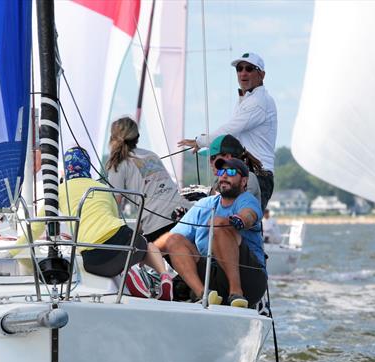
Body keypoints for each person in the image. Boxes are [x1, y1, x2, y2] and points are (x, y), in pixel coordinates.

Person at [19, 146, 175, 299]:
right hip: (123, 238)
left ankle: (125, 271)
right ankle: (164, 276)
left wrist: (12, 251)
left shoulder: (59, 190)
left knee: (115, 259)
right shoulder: (103, 188)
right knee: (146, 246)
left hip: (94, 258)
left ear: (67, 168)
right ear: (87, 165)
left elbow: (38, 226)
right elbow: (115, 218)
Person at [159, 157, 267, 308]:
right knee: (174, 241)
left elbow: (249, 214)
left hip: (249, 279)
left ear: (243, 181)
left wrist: (239, 220)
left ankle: (236, 293)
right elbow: (168, 240)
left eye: (230, 171)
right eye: (221, 171)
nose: (224, 175)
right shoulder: (205, 204)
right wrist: (143, 250)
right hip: (214, 278)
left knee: (218, 223)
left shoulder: (246, 199)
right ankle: (203, 294)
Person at [178, 52, 277, 209]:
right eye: (239, 68)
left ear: (262, 74)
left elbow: (230, 130)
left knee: (239, 224)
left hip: (257, 175)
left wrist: (200, 141)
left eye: (249, 68)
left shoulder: (259, 101)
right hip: (242, 171)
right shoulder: (247, 100)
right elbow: (232, 133)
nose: (243, 72)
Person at [105, 117, 189, 246]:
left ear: (112, 138)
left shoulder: (117, 165)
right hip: (184, 215)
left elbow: (114, 206)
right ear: (137, 137)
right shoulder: (151, 155)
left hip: (158, 226)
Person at [209, 134, 262, 204]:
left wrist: (211, 194)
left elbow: (236, 204)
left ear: (228, 157)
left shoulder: (249, 177)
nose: (210, 163)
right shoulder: (218, 180)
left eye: (212, 158)